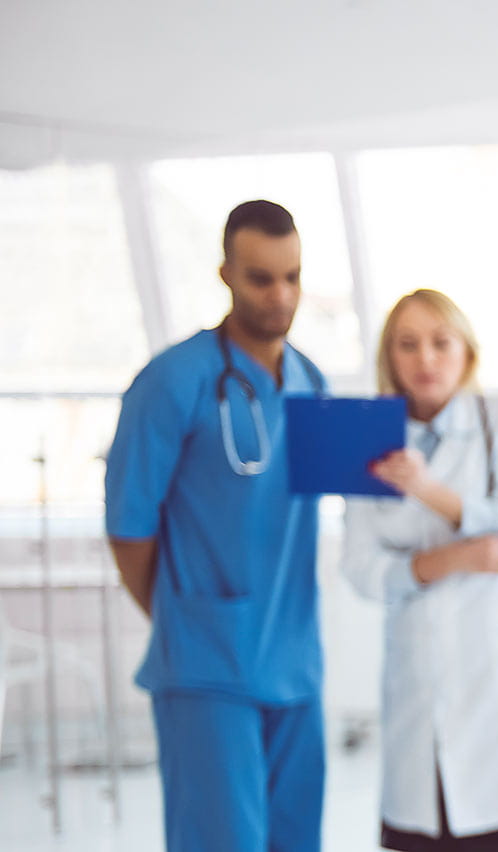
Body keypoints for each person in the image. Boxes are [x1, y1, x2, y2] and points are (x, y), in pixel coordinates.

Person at [104, 200, 327, 852]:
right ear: (225, 273)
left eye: (293, 276)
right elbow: (128, 527)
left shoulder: (311, 380)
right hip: (206, 670)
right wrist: (185, 616)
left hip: (295, 665)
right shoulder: (172, 381)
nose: (280, 294)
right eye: (261, 277)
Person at [341, 289, 498, 852]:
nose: (426, 359)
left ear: (466, 352)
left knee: (497, 833)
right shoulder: (368, 434)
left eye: (440, 343)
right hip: (418, 684)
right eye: (408, 344)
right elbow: (361, 568)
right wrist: (451, 559)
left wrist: (424, 489)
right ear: (388, 357)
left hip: (497, 682)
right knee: (417, 832)